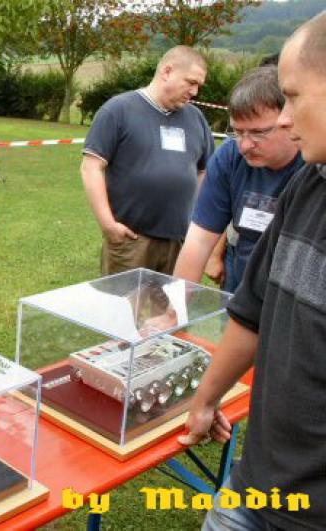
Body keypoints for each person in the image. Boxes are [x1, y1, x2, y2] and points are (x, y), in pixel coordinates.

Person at [180, 12, 326, 531]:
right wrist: (206, 399)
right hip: (251, 486)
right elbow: (251, 310)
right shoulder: (308, 185)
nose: (285, 118)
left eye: (293, 97)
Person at [81, 46, 215, 276]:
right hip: (131, 241)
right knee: (123, 300)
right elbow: (91, 167)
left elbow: (205, 171)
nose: (195, 92)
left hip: (180, 242)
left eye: (199, 86)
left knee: (171, 301)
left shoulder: (196, 118)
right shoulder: (118, 110)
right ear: (167, 71)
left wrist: (195, 220)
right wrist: (108, 225)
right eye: (191, 82)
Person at [173, 66, 303, 292]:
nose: (245, 145)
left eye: (258, 133)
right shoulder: (230, 157)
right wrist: (175, 307)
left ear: (289, 120)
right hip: (242, 284)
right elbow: (199, 241)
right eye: (238, 132)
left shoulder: (314, 165)